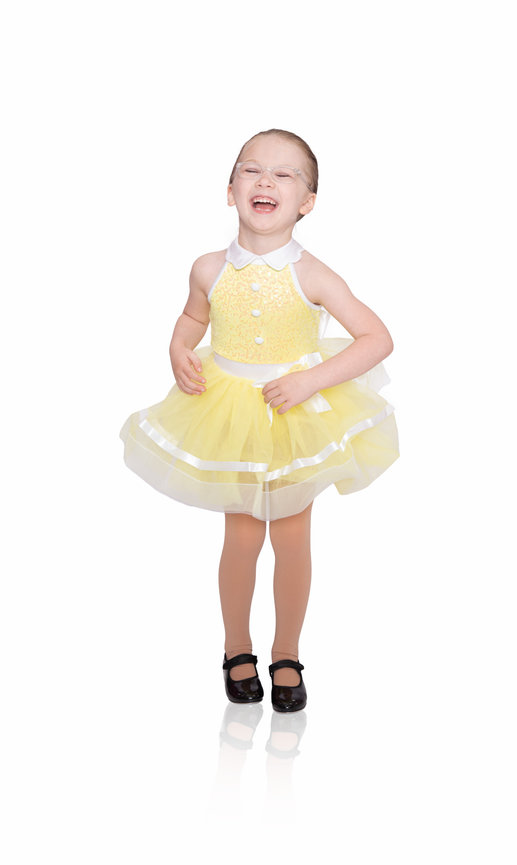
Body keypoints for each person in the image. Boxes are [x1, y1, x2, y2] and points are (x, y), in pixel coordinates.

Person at [120, 128, 399, 712]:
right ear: (231, 191)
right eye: (251, 169)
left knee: (292, 540)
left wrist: (309, 381)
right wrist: (177, 347)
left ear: (307, 202)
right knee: (242, 539)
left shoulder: (314, 274)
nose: (265, 179)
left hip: (292, 415)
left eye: (284, 173)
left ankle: (287, 652)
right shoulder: (207, 267)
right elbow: (193, 318)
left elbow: (376, 338)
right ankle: (236, 648)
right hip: (229, 417)